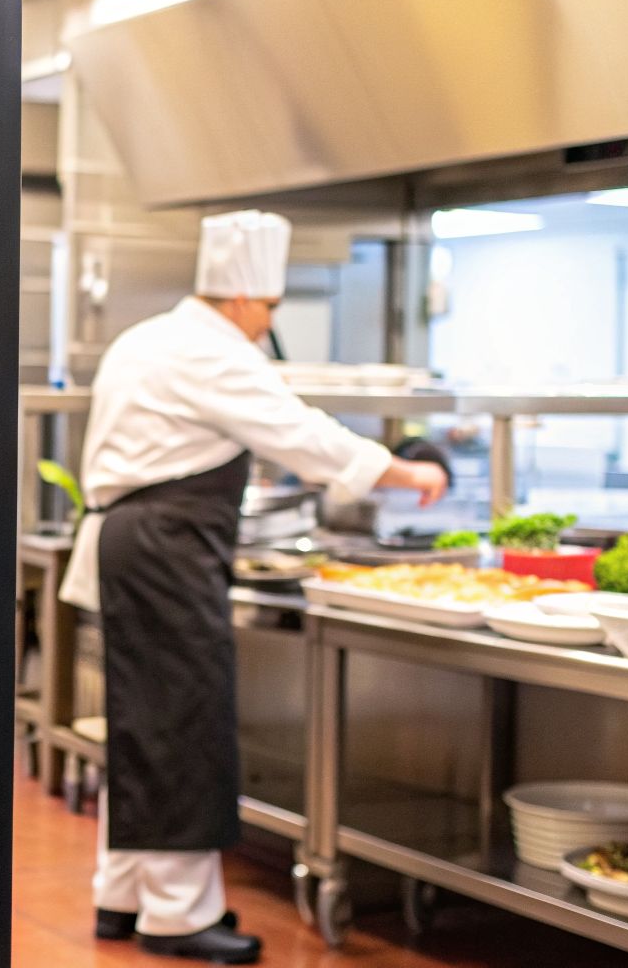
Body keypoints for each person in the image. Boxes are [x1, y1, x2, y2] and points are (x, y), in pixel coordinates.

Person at [59, 210, 447, 963]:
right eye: (269, 309)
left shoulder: (149, 338)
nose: (267, 324)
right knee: (182, 726)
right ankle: (177, 917)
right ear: (241, 300)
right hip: (166, 552)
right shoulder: (211, 351)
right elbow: (304, 436)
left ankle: (122, 893)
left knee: (145, 726)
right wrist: (409, 473)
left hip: (132, 545)